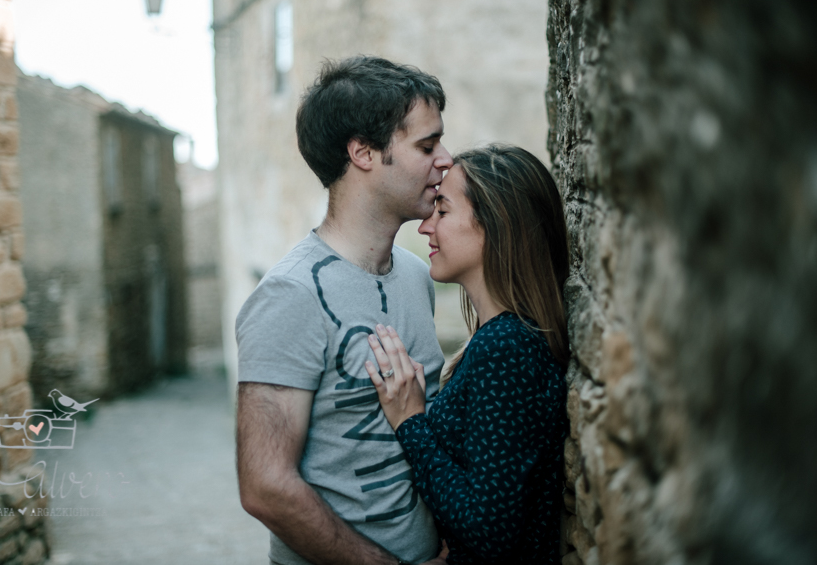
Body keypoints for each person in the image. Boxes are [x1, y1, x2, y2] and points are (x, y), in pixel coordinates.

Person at [236, 56, 454, 565]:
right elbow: (265, 486)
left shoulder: (417, 275)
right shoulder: (290, 295)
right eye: (426, 145)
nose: (445, 159)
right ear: (363, 153)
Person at [363, 144, 570, 564]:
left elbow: (489, 531)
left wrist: (410, 421)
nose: (426, 227)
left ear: (494, 226)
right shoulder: (503, 338)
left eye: (442, 210)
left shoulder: (506, 349)